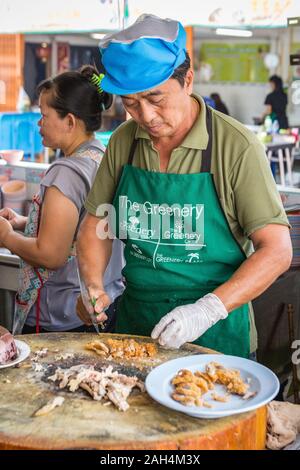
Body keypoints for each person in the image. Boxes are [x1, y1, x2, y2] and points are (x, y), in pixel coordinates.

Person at [76, 14, 292, 358]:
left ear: (188, 80)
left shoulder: (236, 146)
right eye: (131, 103)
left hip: (216, 333)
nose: (145, 116)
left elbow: (277, 250)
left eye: (156, 98)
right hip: (136, 329)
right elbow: (94, 226)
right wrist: (92, 285)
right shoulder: (124, 141)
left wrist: (205, 310)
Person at [0, 65, 124, 334]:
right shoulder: (101, 158)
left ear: (70, 121)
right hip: (105, 303)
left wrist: (7, 236)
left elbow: (51, 255)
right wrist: (24, 222)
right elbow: (77, 228)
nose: (39, 123)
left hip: (63, 315)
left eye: (44, 115)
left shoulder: (65, 172)